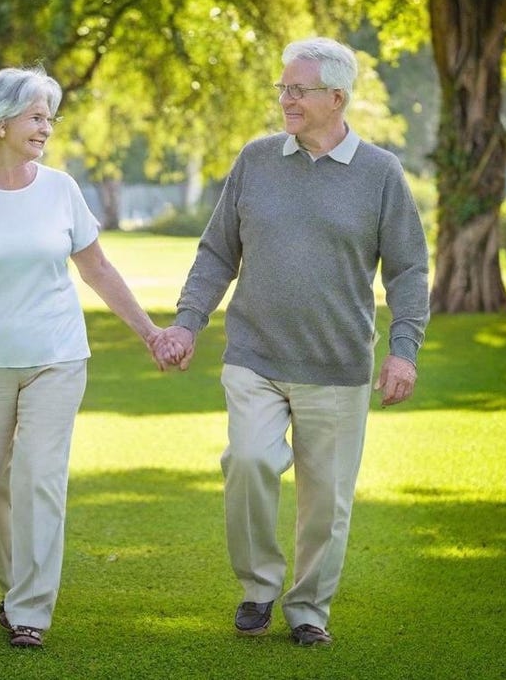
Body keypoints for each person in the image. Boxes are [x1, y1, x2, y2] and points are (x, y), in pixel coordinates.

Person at [154, 37, 430, 647]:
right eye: (283, 89)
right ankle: (258, 587)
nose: (287, 100)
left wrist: (404, 351)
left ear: (337, 97)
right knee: (249, 461)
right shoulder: (256, 161)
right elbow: (218, 250)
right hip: (254, 355)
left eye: (299, 90)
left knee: (326, 500)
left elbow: (408, 269)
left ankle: (308, 609)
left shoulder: (380, 173)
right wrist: (186, 321)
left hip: (336, 365)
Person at [0, 65, 177, 649]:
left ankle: (31, 610)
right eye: (36, 115)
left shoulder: (61, 189)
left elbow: (98, 270)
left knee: (39, 476)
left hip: (56, 356)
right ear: (1, 120)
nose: (46, 126)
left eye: (49, 117)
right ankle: (16, 586)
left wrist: (150, 333)